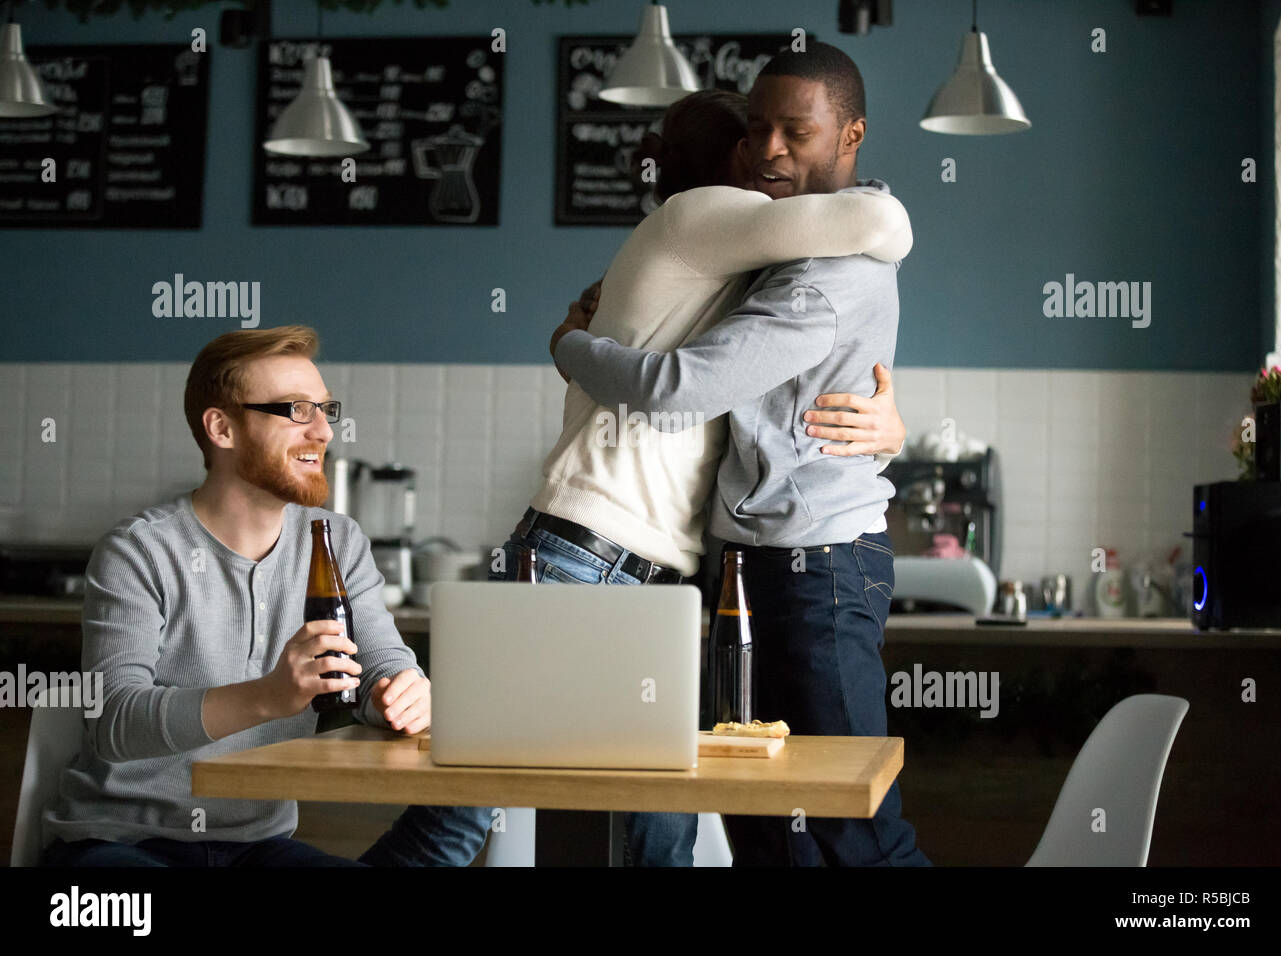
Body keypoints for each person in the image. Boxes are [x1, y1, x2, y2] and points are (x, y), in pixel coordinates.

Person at [492, 88, 913, 866]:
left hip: (656, 569)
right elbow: (882, 223)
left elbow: (789, 391)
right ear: (732, 163)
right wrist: (565, 346)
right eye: (758, 141)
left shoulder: (735, 269)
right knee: (493, 808)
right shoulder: (702, 219)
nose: (774, 158)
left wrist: (890, 431)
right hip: (593, 553)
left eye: (790, 136)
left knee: (662, 828)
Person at [41, 326, 493, 867]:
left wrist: (399, 694)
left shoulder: (337, 540)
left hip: (256, 846)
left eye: (325, 410)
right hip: (117, 842)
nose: (324, 431)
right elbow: (114, 721)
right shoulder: (139, 550)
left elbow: (380, 666)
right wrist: (268, 695)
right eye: (297, 410)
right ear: (222, 428)